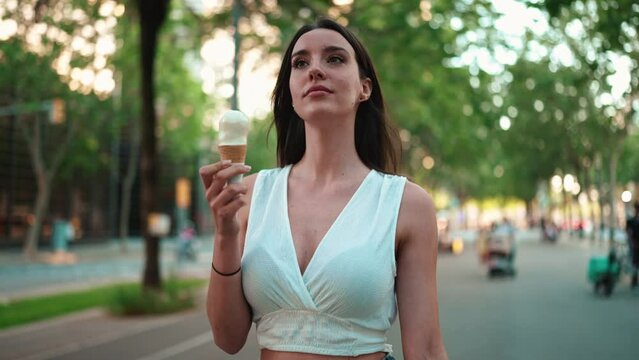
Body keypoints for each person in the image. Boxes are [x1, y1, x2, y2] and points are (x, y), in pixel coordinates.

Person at [199, 18, 448, 360]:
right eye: (300, 63)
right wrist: (225, 236)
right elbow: (228, 339)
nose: (314, 69)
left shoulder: (406, 204)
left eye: (334, 59)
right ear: (290, 89)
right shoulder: (250, 195)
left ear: (365, 88)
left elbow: (427, 350)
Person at [625, 202, 639, 288]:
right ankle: (634, 280)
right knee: (635, 262)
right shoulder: (631, 221)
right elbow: (628, 232)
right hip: (635, 245)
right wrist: (633, 242)